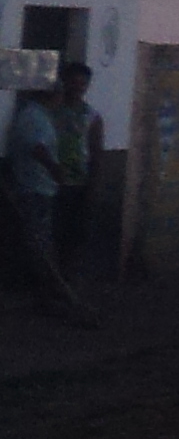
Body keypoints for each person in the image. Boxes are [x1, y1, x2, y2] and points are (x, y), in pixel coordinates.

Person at [5, 82, 93, 323]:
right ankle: (46, 292)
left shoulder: (39, 115)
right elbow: (38, 148)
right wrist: (55, 170)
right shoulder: (34, 117)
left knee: (41, 241)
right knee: (39, 243)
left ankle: (48, 291)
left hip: (40, 187)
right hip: (34, 187)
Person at [45, 62, 103, 281]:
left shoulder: (92, 116)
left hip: (79, 183)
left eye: (83, 83)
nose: (78, 87)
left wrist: (93, 186)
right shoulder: (49, 112)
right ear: (65, 82)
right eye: (74, 82)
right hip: (50, 182)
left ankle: (66, 279)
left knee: (73, 236)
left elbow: (96, 153)